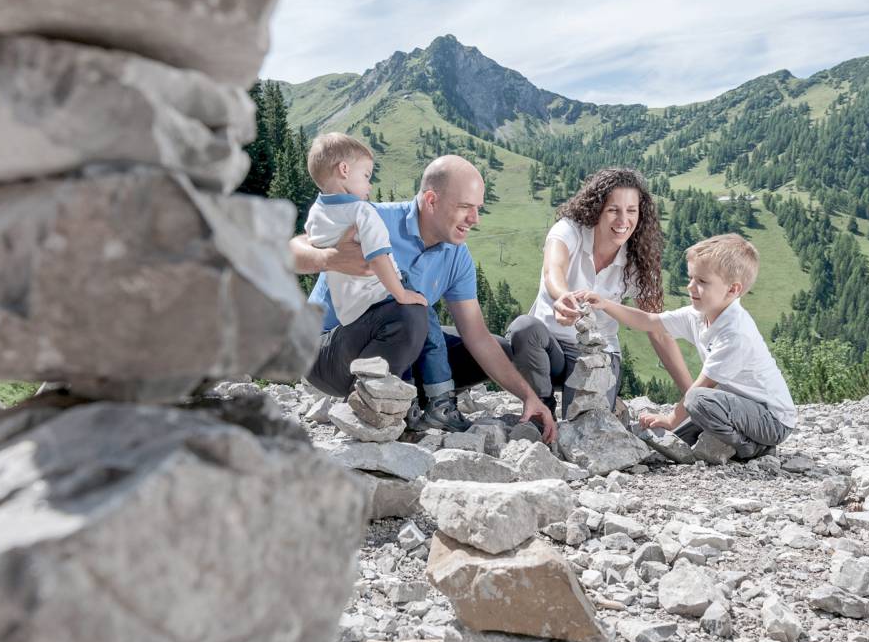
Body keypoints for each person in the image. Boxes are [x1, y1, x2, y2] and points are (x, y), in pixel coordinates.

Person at [290, 154, 557, 441]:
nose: (474, 219)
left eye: (478, 208)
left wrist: (529, 396)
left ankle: (425, 404)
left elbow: (477, 335)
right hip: (325, 352)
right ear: (431, 200)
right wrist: (328, 258)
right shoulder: (373, 217)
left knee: (498, 349)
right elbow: (291, 251)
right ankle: (378, 404)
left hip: (394, 340)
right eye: (465, 207)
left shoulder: (456, 255)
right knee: (410, 310)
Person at [582, 233, 797, 459]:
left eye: (702, 281)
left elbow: (703, 385)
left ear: (733, 289)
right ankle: (722, 439)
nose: (690, 286)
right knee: (675, 440)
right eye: (691, 277)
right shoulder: (698, 314)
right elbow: (650, 321)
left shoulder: (735, 332)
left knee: (697, 401)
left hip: (772, 420)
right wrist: (605, 304)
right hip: (738, 407)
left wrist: (671, 418)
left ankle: (751, 448)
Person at [505, 167, 680, 416]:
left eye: (631, 211)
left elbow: (658, 329)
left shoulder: (638, 259)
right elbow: (553, 270)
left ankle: (599, 407)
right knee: (523, 329)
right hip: (548, 351)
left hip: (599, 354)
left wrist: (691, 393)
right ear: (596, 208)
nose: (623, 221)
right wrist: (563, 296)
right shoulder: (569, 230)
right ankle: (540, 411)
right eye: (613, 210)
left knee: (583, 427)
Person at [302, 133, 429, 320]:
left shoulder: (315, 213)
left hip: (348, 310)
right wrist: (401, 294)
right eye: (366, 175)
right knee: (426, 317)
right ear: (344, 169)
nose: (369, 186)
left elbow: (310, 242)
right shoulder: (362, 211)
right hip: (381, 294)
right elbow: (378, 259)